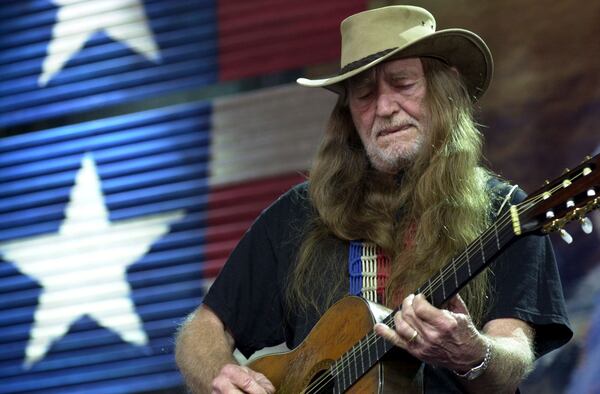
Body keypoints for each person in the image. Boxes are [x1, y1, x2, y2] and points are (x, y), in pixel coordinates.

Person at [175, 5, 572, 393]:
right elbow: (202, 328)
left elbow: (513, 357)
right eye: (364, 94)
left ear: (444, 89)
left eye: (402, 84)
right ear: (348, 112)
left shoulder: (505, 211)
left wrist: (476, 353)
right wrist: (221, 375)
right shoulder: (301, 213)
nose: (384, 108)